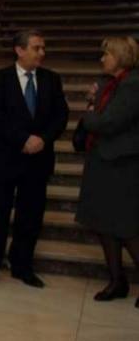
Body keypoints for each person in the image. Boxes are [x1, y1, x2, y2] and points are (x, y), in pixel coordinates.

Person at [0, 30, 68, 290]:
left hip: (39, 160)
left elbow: (61, 116)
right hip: (6, 159)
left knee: (30, 216)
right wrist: (23, 140)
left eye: (43, 48)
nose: (42, 53)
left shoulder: (51, 80)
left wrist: (42, 139)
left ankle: (22, 266)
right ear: (20, 50)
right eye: (36, 48)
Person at [75, 36, 139, 308]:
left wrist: (88, 114)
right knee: (103, 225)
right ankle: (117, 281)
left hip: (122, 166)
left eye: (107, 54)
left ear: (120, 57)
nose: (102, 59)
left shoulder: (133, 85)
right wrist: (93, 106)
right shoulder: (109, 83)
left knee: (126, 227)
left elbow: (109, 122)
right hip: (102, 163)